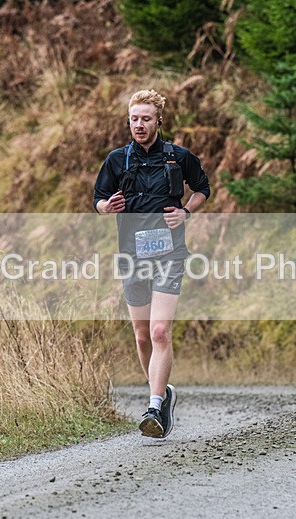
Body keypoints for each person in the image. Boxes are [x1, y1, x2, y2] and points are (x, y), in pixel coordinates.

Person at [93, 89, 210, 439]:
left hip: (169, 254)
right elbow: (98, 199)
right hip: (131, 254)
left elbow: (202, 188)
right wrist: (105, 208)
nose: (139, 125)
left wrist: (187, 210)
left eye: (146, 119)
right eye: (134, 119)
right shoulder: (117, 160)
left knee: (160, 331)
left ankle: (155, 405)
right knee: (142, 336)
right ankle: (163, 393)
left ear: (159, 120)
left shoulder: (178, 157)